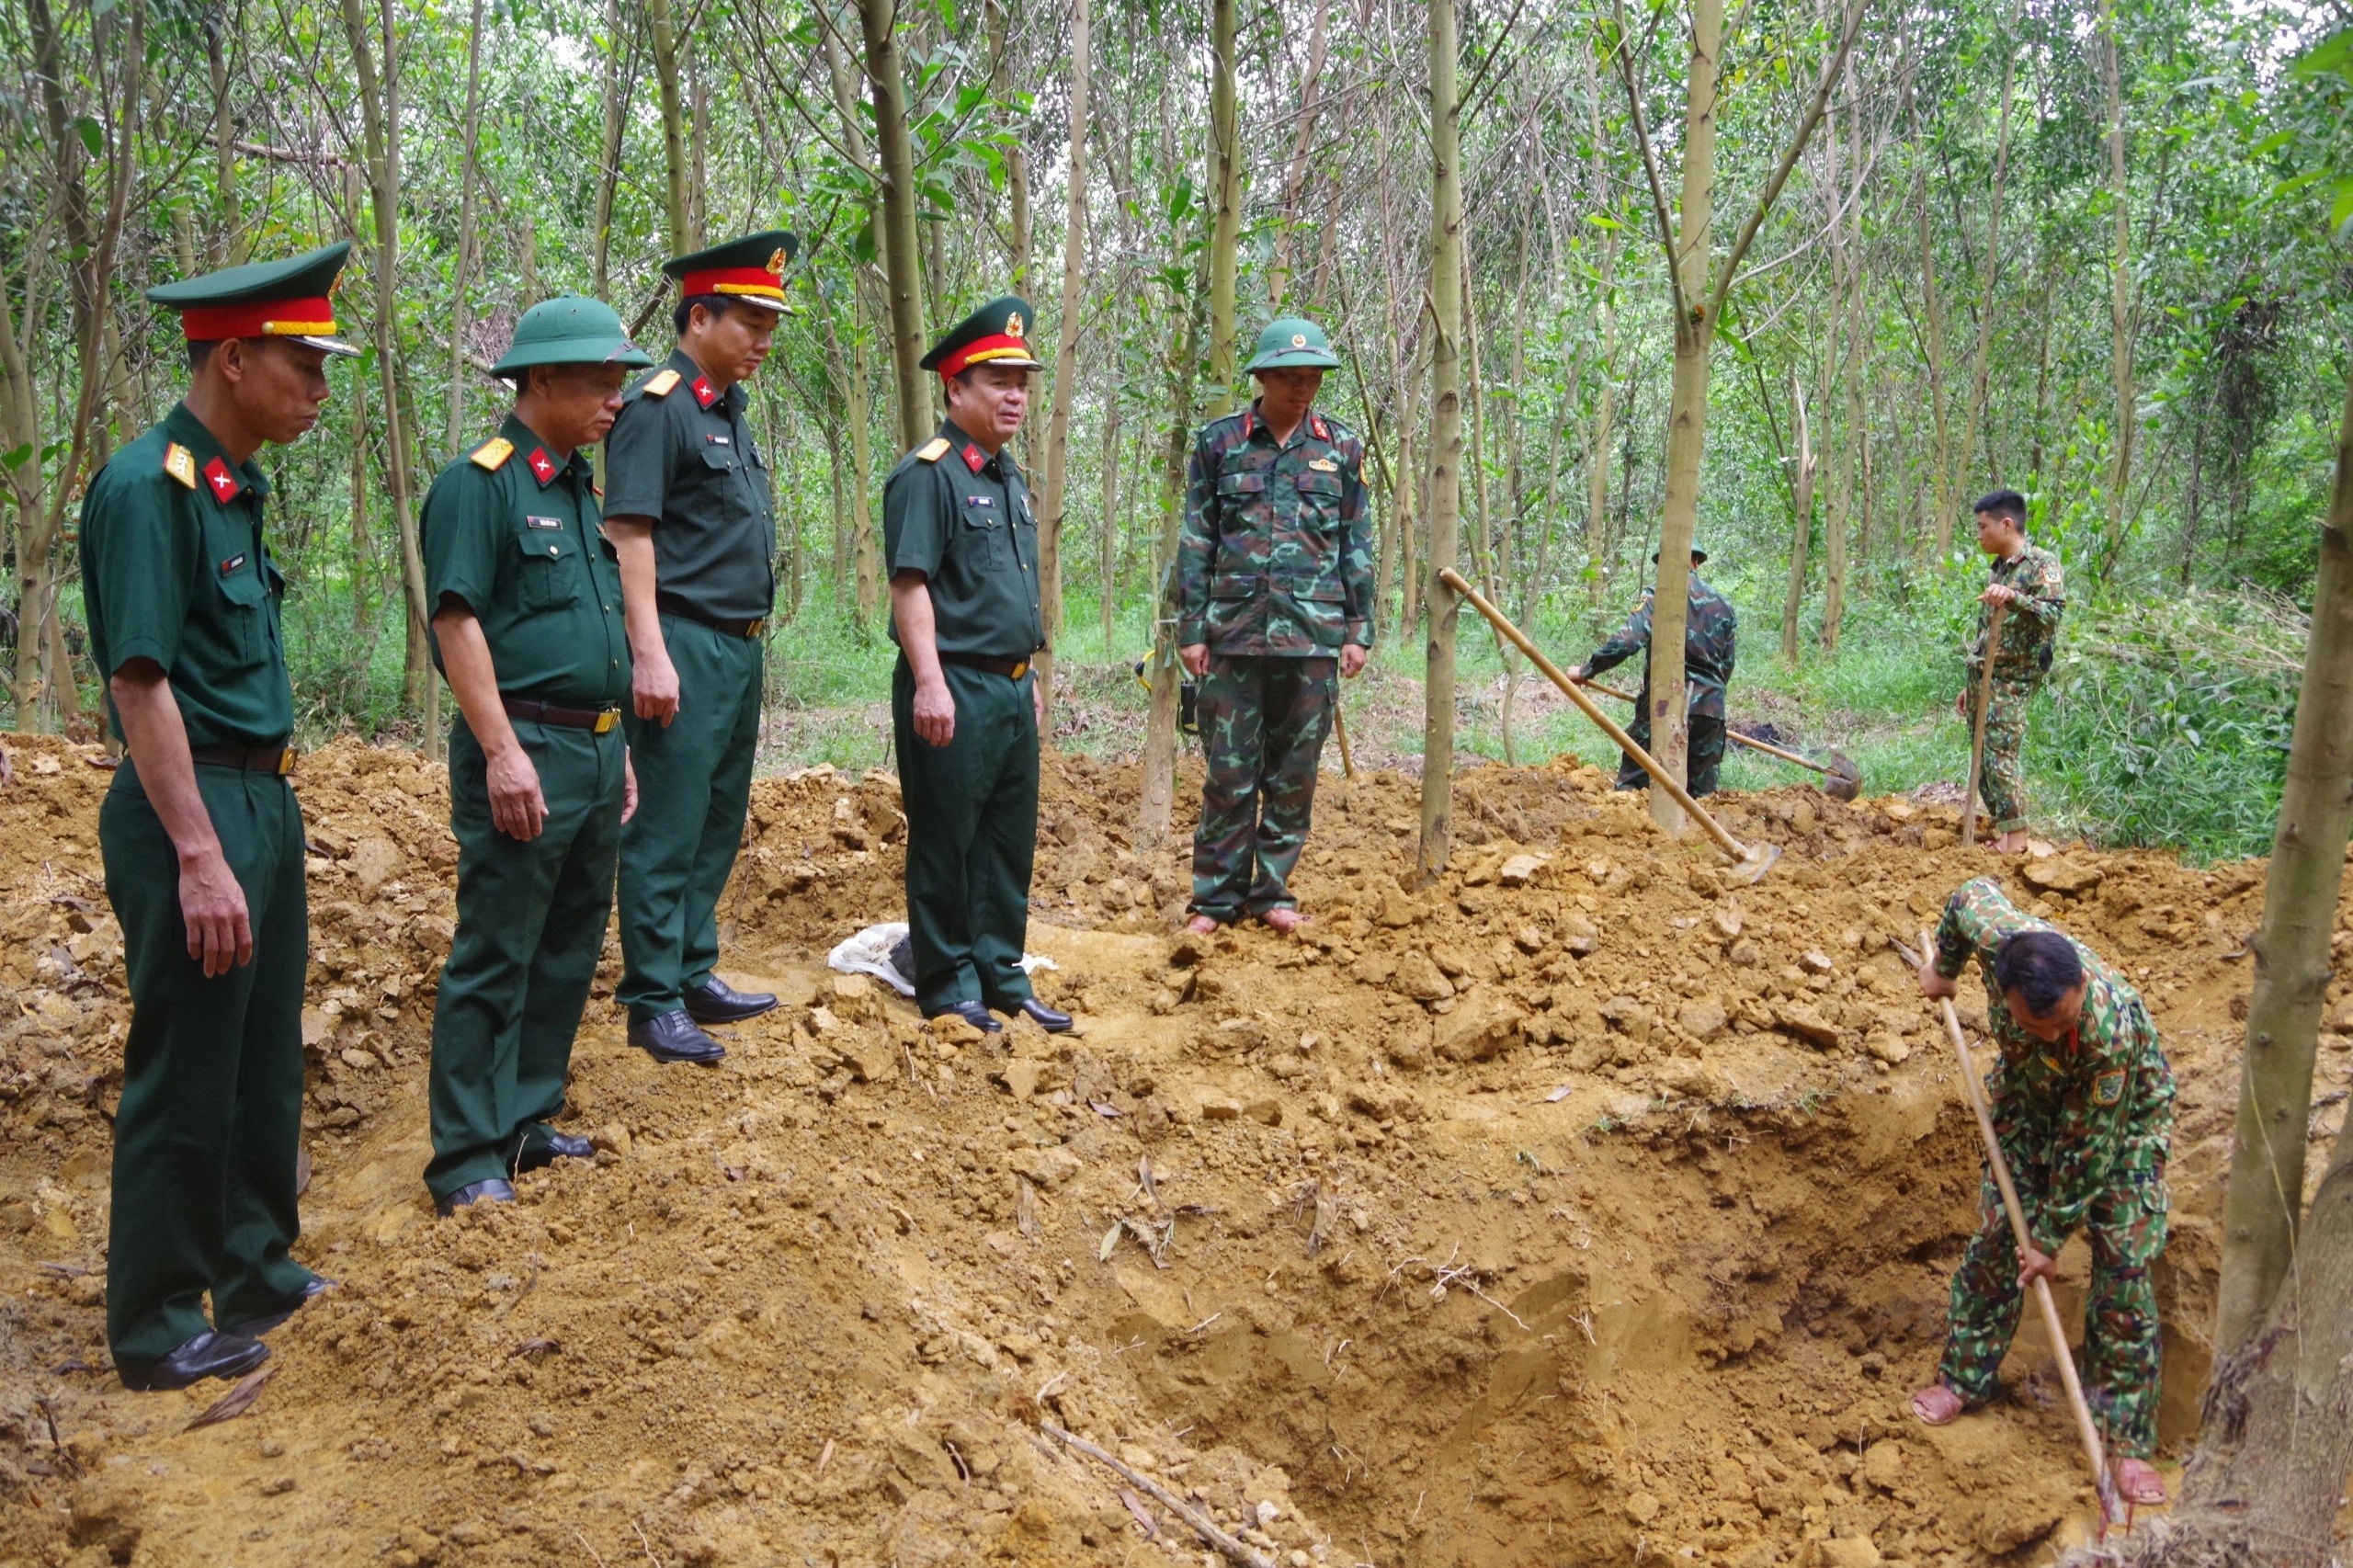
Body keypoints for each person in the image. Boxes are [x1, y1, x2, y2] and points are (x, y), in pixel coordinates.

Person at [81, 243, 358, 1390]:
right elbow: (140, 681)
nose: (320, 389)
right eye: (304, 364)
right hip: (189, 802)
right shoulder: (151, 487)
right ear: (234, 359)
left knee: (257, 1056)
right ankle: (154, 1317)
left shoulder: (231, 490)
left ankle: (254, 1262)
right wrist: (198, 852)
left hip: (260, 793)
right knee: (189, 1060)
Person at [417, 297, 650, 1217]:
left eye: (621, 382)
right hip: (524, 747)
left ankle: (523, 1115)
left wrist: (617, 741)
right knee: (498, 944)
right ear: (540, 381)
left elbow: (591, 632)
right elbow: (454, 619)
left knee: (566, 942)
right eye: (599, 382)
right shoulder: (481, 485)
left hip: (591, 746)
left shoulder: (574, 488)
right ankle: (466, 1152)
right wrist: (502, 751)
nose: (616, 400)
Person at [1910, 876, 2174, 1506]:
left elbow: (2089, 1153)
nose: (2053, 1032)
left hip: (2122, 1124)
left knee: (2123, 1262)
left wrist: (2050, 1240)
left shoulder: (2107, 1035)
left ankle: (2127, 1438)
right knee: (2002, 1234)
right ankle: (1965, 1379)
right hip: (2030, 1100)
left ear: (2079, 986)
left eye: (2062, 1021)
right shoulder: (1998, 934)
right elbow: (1964, 894)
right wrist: (1941, 970)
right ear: (2004, 995)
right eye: (2037, 1023)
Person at [603, 231, 796, 1064]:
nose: (762, 340)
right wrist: (648, 652)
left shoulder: (727, 410)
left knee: (717, 816)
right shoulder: (660, 406)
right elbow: (629, 533)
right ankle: (651, 998)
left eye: (770, 326)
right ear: (698, 315)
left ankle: (692, 969)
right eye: (749, 322)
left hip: (737, 651)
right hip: (681, 641)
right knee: (668, 824)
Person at [883, 295, 1068, 1036]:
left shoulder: (1009, 479)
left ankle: (1002, 974)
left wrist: (1033, 682)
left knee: (1004, 840)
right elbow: (910, 584)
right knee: (947, 840)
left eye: (1023, 380)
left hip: (1009, 688)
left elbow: (1015, 591)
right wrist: (929, 681)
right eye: (998, 380)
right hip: (951, 683)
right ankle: (947, 982)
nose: (1015, 394)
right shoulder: (927, 475)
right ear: (956, 389)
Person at [1175, 318, 1372, 937]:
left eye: (1313, 376)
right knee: (1229, 775)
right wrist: (1190, 627)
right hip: (1233, 634)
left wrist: (1358, 629)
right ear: (1260, 375)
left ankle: (1271, 893)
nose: (1303, 386)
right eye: (1291, 375)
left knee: (1294, 776)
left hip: (1313, 636)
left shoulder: (1341, 448)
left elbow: (1355, 541)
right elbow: (1196, 537)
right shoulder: (1219, 443)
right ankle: (1214, 901)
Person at [1568, 546, 1735, 796]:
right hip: (1711, 712)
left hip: (1665, 704)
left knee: (1632, 788)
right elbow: (1727, 666)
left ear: (1663, 564)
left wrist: (1587, 670)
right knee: (1701, 801)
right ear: (1696, 563)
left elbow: (1627, 642)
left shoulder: (1659, 595)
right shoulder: (1723, 606)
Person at [1956, 489, 2063, 854]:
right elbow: (1987, 631)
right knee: (1982, 756)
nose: (1979, 534)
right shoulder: (1999, 568)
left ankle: (2017, 842)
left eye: (1983, 527)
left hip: (2013, 680)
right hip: (1987, 678)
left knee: (2000, 756)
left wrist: (2014, 598)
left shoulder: (2040, 564)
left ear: (2006, 524)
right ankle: (2004, 831)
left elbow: (2052, 614)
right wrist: (1972, 684)